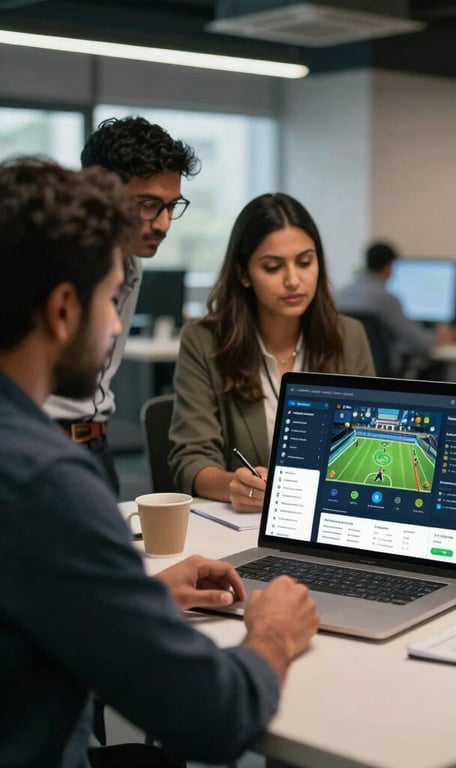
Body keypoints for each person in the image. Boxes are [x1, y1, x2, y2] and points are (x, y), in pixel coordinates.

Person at [0, 159, 319, 767]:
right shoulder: (47, 483)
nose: (116, 323)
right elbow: (214, 717)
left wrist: (133, 598)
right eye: (109, 298)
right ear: (63, 310)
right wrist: (273, 634)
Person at [169, 193, 375, 512]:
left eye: (305, 262)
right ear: (244, 274)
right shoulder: (204, 341)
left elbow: (369, 443)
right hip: (243, 524)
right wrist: (234, 486)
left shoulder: (348, 336)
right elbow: (191, 460)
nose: (293, 280)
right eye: (273, 267)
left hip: (330, 515)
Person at [44, 116, 199, 493]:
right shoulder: (52, 265)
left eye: (171, 206)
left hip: (95, 442)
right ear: (99, 194)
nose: (163, 224)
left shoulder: (131, 263)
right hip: (44, 445)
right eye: (148, 205)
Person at [335, 241, 456, 373]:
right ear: (389, 267)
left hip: (351, 369)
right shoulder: (384, 299)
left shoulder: (341, 294)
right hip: (381, 372)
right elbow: (419, 342)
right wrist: (439, 338)